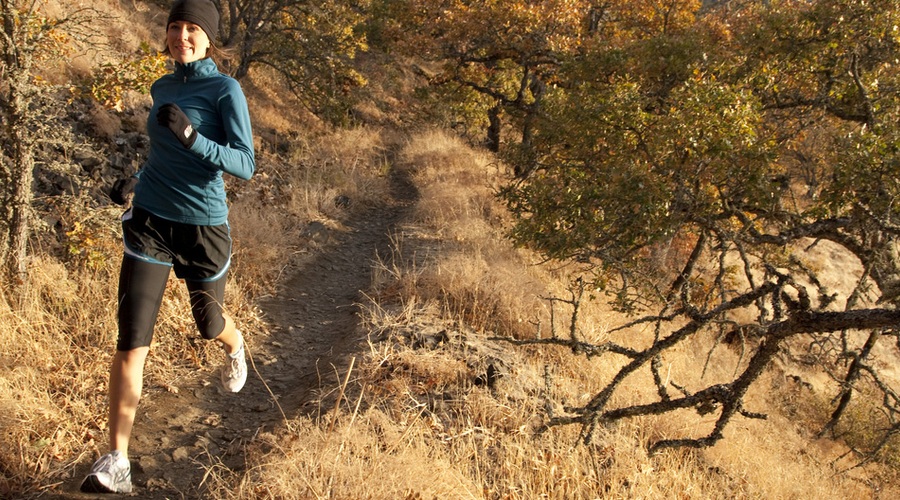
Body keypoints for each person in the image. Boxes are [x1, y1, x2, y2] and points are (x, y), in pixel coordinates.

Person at [81, 0, 256, 493]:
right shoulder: (162, 87)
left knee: (209, 325)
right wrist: (135, 182)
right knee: (131, 340)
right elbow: (163, 153)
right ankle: (116, 459)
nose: (182, 35)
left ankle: (235, 342)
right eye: (175, 26)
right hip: (151, 223)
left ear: (209, 38)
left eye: (192, 28)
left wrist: (193, 137)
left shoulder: (226, 89)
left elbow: (244, 164)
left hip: (202, 228)